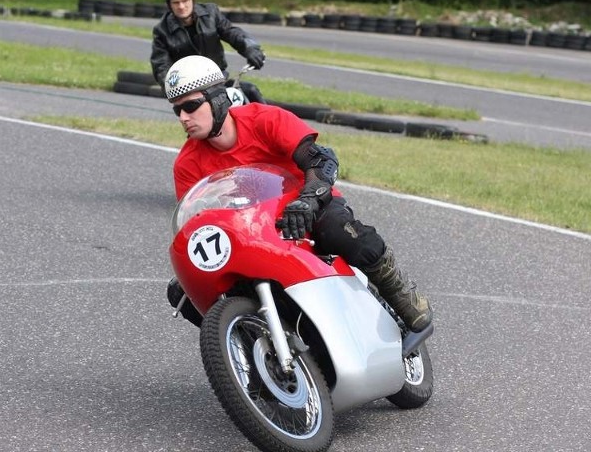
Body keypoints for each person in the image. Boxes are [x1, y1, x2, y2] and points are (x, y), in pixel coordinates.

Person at [165, 55, 433, 333]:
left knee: (339, 230)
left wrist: (308, 201)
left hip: (307, 206)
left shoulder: (266, 119)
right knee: (182, 292)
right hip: (250, 232)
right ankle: (249, 341)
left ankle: (400, 293)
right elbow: (198, 223)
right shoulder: (186, 164)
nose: (184, 118)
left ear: (218, 99)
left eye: (191, 106)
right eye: (177, 111)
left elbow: (321, 161)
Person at [150, 0, 266, 103]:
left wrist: (250, 47)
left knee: (251, 91)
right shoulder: (162, 31)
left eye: (185, 1)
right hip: (191, 91)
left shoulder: (211, 13)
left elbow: (231, 32)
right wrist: (175, 88)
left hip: (218, 80)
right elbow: (161, 66)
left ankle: (271, 122)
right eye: (176, 3)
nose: (181, 6)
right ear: (169, 4)